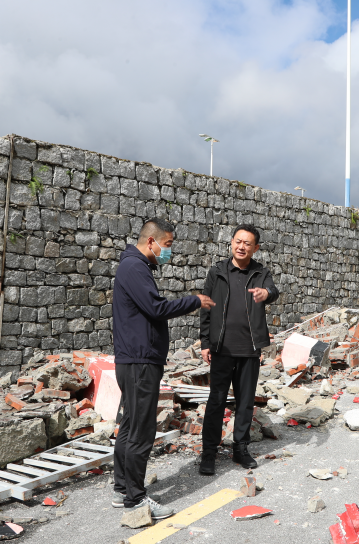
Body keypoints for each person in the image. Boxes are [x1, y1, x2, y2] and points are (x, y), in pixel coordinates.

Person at [112, 217, 215, 518]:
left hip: (135, 359)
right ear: (151, 241)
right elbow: (155, 308)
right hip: (140, 361)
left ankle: (123, 490)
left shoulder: (136, 266)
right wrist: (193, 300)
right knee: (141, 430)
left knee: (130, 424)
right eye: (167, 245)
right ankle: (135, 499)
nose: (168, 252)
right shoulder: (135, 268)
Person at [198, 224, 279, 475]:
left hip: (249, 349)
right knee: (216, 401)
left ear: (255, 248)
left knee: (245, 402)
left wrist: (266, 293)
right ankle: (209, 452)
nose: (241, 246)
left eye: (247, 243)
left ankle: (240, 448)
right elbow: (206, 307)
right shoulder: (217, 272)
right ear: (231, 243)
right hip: (222, 348)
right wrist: (204, 343)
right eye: (238, 241)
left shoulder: (260, 272)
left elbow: (272, 291)